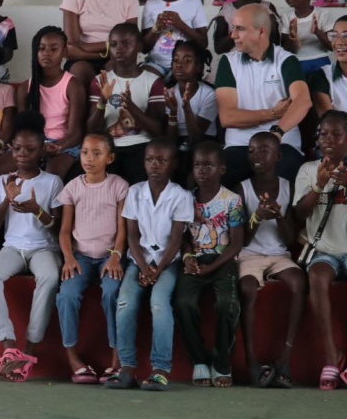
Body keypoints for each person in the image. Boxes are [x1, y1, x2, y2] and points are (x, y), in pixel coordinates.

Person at [0, 112, 64, 383]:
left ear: (42, 150)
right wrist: (7, 200)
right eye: (17, 148)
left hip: (43, 248)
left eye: (30, 149)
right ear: (11, 149)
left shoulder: (52, 182)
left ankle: (30, 349)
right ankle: (9, 347)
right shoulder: (4, 181)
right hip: (12, 249)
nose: (23, 154)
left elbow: (57, 228)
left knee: (49, 276)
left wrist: (37, 210)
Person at [105, 138, 193, 391]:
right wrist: (144, 267)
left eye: (162, 160)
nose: (154, 165)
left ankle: (160, 369)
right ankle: (127, 368)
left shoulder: (181, 196)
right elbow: (132, 235)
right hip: (140, 261)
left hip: (168, 262)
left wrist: (158, 269)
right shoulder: (135, 192)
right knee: (125, 302)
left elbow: (177, 239)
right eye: (150, 160)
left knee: (159, 303)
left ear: (173, 164)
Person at [56, 133, 128, 384]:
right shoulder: (73, 187)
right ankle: (73, 358)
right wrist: (68, 258)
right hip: (81, 257)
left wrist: (116, 257)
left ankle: (116, 360)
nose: (89, 158)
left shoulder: (119, 185)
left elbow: (123, 229)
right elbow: (64, 231)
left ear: (110, 158)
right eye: (85, 152)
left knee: (112, 292)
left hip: (110, 256)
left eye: (97, 154)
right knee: (67, 295)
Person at [214, 3, 311, 185]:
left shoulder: (286, 60)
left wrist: (276, 134)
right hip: (240, 145)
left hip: (282, 143)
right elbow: (227, 117)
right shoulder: (228, 62)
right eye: (234, 28)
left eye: (240, 29)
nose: (233, 35)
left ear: (262, 32)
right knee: (220, 176)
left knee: (288, 174)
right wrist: (272, 114)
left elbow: (303, 102)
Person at [173, 142, 245, 388]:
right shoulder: (185, 199)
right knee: (183, 301)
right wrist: (187, 257)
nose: (202, 171)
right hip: (194, 260)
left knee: (227, 302)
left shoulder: (232, 200)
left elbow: (236, 245)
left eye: (208, 165)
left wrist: (212, 268)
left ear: (221, 169)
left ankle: (222, 362)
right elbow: (180, 235)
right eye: (197, 165)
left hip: (222, 261)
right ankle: (199, 360)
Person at [237, 131, 305, 388]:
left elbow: (288, 239)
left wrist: (277, 214)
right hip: (250, 255)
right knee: (247, 289)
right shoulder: (241, 188)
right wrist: (256, 217)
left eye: (264, 150)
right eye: (252, 150)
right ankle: (253, 363)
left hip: (278, 254)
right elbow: (242, 239)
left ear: (278, 156)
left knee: (299, 282)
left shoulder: (288, 186)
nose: (257, 156)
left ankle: (285, 358)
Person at [294, 110, 347, 389]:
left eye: (337, 134)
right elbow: (300, 212)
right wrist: (320, 184)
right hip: (325, 250)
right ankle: (331, 356)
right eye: (324, 134)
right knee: (316, 277)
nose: (329, 140)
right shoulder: (308, 169)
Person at [88, 23, 166, 184]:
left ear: (139, 46)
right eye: (114, 44)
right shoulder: (100, 81)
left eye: (126, 44)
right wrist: (102, 100)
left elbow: (158, 131)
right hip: (108, 149)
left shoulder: (153, 82)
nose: (119, 49)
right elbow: (91, 129)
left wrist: (131, 106)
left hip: (142, 147)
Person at [16, 26, 86, 179]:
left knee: (52, 173)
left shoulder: (73, 85)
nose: (46, 53)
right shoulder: (25, 88)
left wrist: (56, 147)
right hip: (31, 144)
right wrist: (35, 147)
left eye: (54, 49)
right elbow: (21, 129)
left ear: (64, 52)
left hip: (63, 143)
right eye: (42, 49)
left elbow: (75, 133)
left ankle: (42, 204)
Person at [140, 0, 208, 79]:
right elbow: (144, 48)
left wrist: (181, 25)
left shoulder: (193, 2)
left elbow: (203, 43)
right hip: (156, 63)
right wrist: (156, 28)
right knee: (146, 81)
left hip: (185, 64)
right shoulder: (151, 5)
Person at [165, 41, 218, 179]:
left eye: (187, 61)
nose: (179, 64)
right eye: (176, 60)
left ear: (199, 67)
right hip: (178, 142)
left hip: (203, 143)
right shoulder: (169, 93)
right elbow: (170, 140)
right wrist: (173, 113)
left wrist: (187, 108)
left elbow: (196, 138)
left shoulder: (208, 94)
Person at [280, 0, 334, 75]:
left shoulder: (322, 14)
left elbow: (332, 46)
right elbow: (285, 50)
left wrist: (317, 32)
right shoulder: (286, 17)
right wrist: (292, 37)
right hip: (296, 62)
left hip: (320, 61)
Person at [309, 14, 347, 115]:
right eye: (334, 36)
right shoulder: (322, 76)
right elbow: (330, 123)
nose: (338, 42)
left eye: (346, 36)